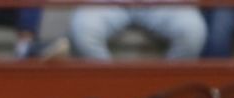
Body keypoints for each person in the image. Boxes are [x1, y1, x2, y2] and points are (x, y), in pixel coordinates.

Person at [67, 4, 207, 60]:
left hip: (162, 4)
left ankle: (166, 91)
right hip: (108, 3)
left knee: (192, 31)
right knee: (83, 31)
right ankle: (110, 88)